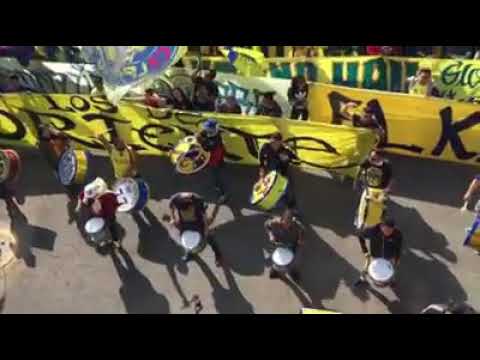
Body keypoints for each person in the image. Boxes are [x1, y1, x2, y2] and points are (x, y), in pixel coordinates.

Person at [166, 192, 223, 266]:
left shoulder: (198, 200)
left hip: (198, 222)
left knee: (209, 237)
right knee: (186, 240)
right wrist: (172, 218)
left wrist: (205, 227)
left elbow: (204, 215)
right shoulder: (176, 199)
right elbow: (171, 206)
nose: (187, 213)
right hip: (184, 223)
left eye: (189, 211)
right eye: (184, 212)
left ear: (191, 206)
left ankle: (218, 255)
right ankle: (190, 253)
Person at [354, 217, 403, 287]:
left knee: (392, 270)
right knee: (367, 267)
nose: (389, 233)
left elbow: (398, 247)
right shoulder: (373, 231)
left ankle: (391, 281)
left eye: (391, 230)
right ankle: (362, 279)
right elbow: (359, 235)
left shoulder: (398, 234)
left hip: (390, 256)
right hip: (375, 255)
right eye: (387, 230)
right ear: (381, 226)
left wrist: (397, 258)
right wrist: (365, 250)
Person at [259, 132, 299, 211]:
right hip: (271, 170)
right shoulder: (265, 147)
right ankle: (269, 204)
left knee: (288, 190)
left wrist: (288, 155)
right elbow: (261, 161)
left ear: (280, 142)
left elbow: (296, 159)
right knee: (268, 188)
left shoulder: (285, 150)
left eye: (276, 143)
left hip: (282, 171)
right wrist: (261, 175)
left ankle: (292, 208)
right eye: (272, 143)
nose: (273, 145)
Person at [77, 178, 122, 248]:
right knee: (97, 230)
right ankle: (102, 239)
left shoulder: (108, 198)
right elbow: (81, 196)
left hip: (107, 215)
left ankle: (116, 240)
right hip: (95, 214)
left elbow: (115, 206)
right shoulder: (88, 192)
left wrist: (100, 211)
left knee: (112, 227)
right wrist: (79, 205)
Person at [264, 209, 305, 280]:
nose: (287, 225)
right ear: (281, 219)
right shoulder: (275, 222)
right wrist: (270, 235)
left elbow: (302, 230)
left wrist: (300, 239)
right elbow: (266, 225)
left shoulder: (297, 225)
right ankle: (275, 271)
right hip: (278, 244)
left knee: (293, 261)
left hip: (291, 245)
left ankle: (292, 272)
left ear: (292, 221)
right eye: (285, 223)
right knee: (275, 259)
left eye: (289, 223)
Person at [196, 119, 228, 200]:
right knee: (220, 162)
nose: (207, 130)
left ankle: (222, 193)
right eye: (207, 128)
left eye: (209, 129)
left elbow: (206, 148)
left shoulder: (213, 141)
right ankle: (221, 164)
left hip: (214, 156)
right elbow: (202, 133)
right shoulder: (211, 133)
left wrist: (200, 141)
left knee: (215, 175)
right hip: (218, 152)